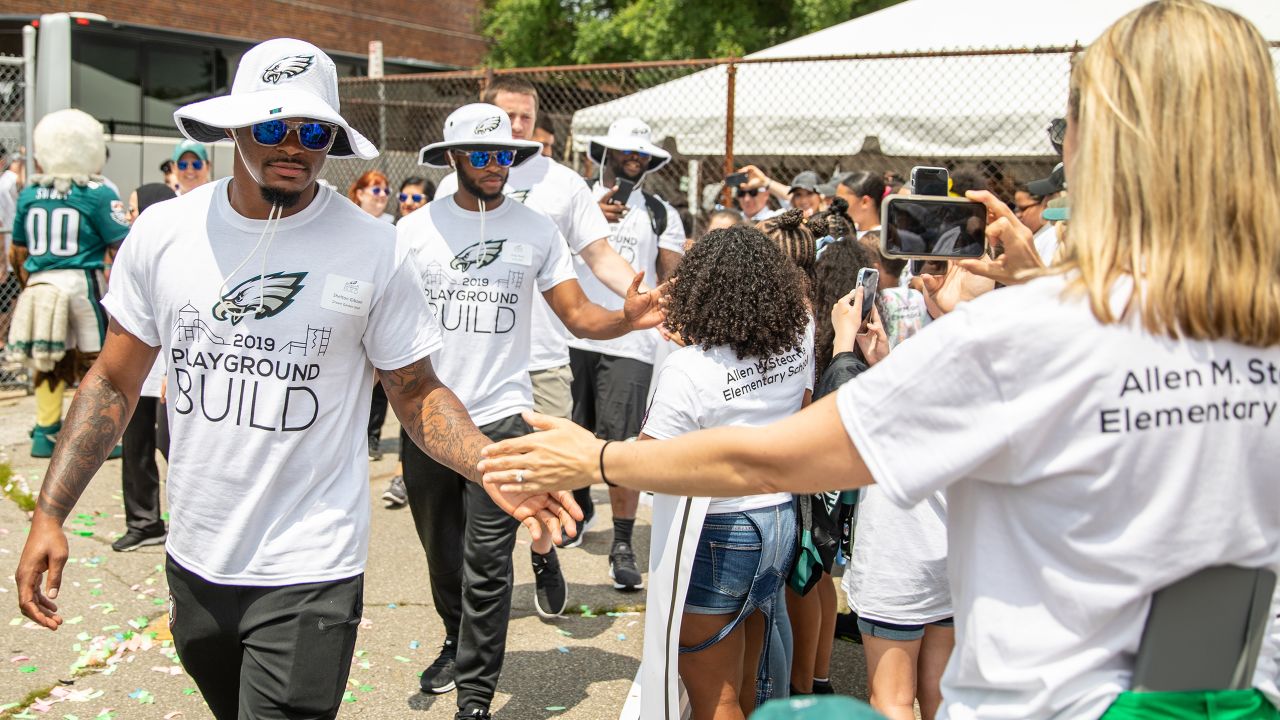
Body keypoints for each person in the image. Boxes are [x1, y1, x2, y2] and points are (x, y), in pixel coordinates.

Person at [478, 3, 1280, 719]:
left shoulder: (1022, 335)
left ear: (1101, 140)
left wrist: (603, 454)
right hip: (1229, 684)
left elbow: (774, 460)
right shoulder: (1251, 322)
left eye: (1064, 123)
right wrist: (1044, 279)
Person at [14, 39, 578, 720]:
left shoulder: (374, 248)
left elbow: (416, 390)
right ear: (237, 126)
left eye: (313, 130)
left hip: (312, 568)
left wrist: (487, 463)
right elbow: (113, 380)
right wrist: (50, 512)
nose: (293, 145)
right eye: (273, 126)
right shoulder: (164, 233)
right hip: (196, 562)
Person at [399, 102, 664, 719]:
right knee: (443, 553)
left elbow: (577, 316)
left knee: (488, 564)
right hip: (431, 420)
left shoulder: (537, 231)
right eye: (484, 156)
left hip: (503, 417)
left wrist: (627, 316)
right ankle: (450, 639)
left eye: (507, 156)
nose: (499, 166)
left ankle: (476, 697)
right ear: (455, 159)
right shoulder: (413, 234)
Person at [431, 76, 644, 620]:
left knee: (540, 480)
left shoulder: (563, 184)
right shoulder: (444, 194)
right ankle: (472, 619)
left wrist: (639, 300)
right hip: (468, 365)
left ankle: (543, 552)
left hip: (543, 360)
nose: (518, 128)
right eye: (509, 118)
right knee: (473, 495)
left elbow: (598, 255)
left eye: (526, 118)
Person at [634, 224, 807, 720]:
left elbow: (648, 464)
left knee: (715, 696)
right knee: (747, 680)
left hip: (719, 532)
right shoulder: (792, 347)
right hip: (778, 519)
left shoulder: (688, 369)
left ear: (698, 288)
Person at [572, 117, 685, 593]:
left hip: (631, 344)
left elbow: (673, 277)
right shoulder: (576, 199)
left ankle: (622, 544)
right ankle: (577, 506)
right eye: (624, 152)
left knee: (619, 442)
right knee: (575, 432)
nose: (632, 160)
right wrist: (590, 215)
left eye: (640, 154)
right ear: (605, 155)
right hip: (573, 334)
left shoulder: (660, 213)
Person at [8, 109, 131, 458]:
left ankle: (45, 432)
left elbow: (18, 249)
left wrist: (28, 283)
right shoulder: (97, 192)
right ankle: (96, 437)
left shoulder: (31, 193)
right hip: (82, 280)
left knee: (51, 361)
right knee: (99, 360)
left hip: (42, 282)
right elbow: (122, 244)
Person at [112, 182, 177, 552]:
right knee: (134, 446)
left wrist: (172, 369)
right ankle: (144, 522)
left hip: (169, 372)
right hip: (139, 374)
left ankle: (193, 522)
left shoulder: (182, 254)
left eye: (135, 208)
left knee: (172, 446)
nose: (130, 216)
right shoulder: (131, 253)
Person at [834, 171, 886, 238]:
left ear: (865, 202)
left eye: (842, 201)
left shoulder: (881, 240)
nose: (836, 206)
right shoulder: (845, 232)